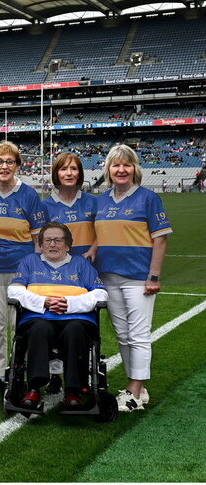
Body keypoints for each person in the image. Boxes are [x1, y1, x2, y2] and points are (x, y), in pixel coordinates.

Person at [94, 144, 171, 411]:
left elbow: (160, 239)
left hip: (138, 277)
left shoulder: (148, 198)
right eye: (116, 165)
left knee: (138, 335)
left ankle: (134, 391)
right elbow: (97, 238)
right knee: (123, 335)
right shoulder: (101, 200)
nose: (121, 169)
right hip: (108, 277)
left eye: (126, 165)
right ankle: (136, 385)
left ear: (134, 169)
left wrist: (154, 275)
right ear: (108, 170)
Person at [7, 223, 107, 409]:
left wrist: (70, 304)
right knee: (39, 328)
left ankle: (73, 392)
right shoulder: (30, 261)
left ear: (68, 244)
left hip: (75, 319)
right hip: (38, 318)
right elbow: (13, 291)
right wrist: (43, 301)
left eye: (58, 240)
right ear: (41, 244)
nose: (52, 244)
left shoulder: (81, 264)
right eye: (48, 240)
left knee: (75, 330)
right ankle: (34, 388)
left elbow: (101, 294)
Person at [0, 141, 47, 394]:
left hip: (21, 271)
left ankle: (20, 370)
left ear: (17, 165)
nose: (4, 166)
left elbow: (39, 237)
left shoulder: (29, 195)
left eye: (9, 161)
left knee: (21, 325)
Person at [43, 152, 97, 259]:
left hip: (91, 267)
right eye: (63, 169)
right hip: (59, 269)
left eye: (73, 168)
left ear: (79, 174)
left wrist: (93, 250)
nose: (69, 173)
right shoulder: (44, 206)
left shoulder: (94, 201)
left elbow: (103, 232)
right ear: (56, 174)